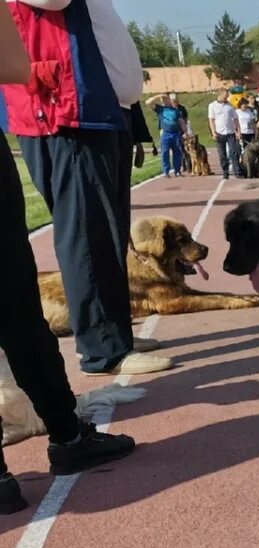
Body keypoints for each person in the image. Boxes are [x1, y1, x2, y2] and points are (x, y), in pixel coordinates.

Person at [0, 4, 137, 513]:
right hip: (59, 110)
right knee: (17, 302)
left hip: (75, 108)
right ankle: (68, 429)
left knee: (18, 303)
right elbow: (15, 63)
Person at [0, 0, 171, 377]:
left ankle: (114, 333)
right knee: (87, 236)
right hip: (64, 113)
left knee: (108, 236)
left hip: (101, 111)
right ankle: (102, 348)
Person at [208, 88, 242, 179]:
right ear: (220, 95)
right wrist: (213, 132)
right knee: (222, 155)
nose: (227, 97)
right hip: (219, 133)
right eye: (225, 95)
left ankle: (237, 172)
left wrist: (238, 131)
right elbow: (211, 120)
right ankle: (225, 172)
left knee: (234, 153)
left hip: (230, 132)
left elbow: (235, 119)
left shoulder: (230, 106)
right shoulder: (212, 106)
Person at [153, 92, 186, 177]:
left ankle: (177, 170)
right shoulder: (160, 109)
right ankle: (166, 171)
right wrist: (158, 96)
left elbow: (181, 121)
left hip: (176, 133)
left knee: (178, 152)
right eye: (162, 99)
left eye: (165, 99)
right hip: (166, 133)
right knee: (165, 153)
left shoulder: (175, 110)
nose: (163, 100)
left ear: (169, 100)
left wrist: (185, 132)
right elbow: (147, 103)